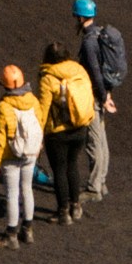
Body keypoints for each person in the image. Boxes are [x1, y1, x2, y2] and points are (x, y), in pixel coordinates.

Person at [37, 41, 97, 226]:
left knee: (60, 170)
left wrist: (39, 135)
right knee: (73, 166)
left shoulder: (48, 78)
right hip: (80, 128)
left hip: (58, 133)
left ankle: (63, 212)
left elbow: (43, 110)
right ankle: (76, 206)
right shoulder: (79, 71)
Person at [74, 0, 126, 200]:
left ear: (79, 17)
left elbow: (95, 71)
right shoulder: (99, 35)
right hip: (102, 93)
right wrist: (108, 94)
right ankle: (101, 182)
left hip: (94, 96)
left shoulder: (89, 42)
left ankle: (94, 187)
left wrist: (103, 97)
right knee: (101, 140)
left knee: (93, 141)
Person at [0, 62, 45, 249]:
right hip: (31, 152)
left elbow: (0, 137)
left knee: (12, 194)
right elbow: (40, 123)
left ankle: (11, 235)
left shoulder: (4, 106)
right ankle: (27, 230)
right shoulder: (34, 100)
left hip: (10, 155)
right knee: (27, 189)